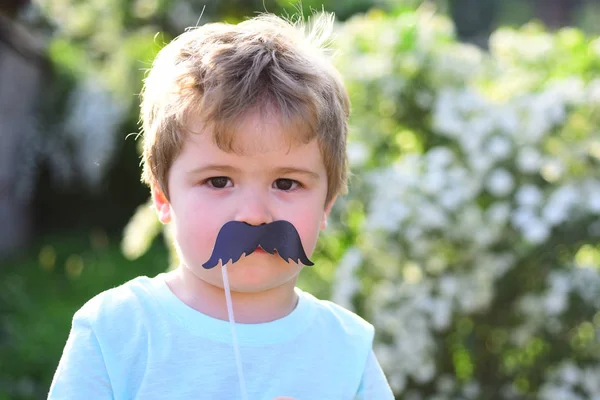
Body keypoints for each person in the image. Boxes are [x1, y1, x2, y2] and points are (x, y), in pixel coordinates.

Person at [48, 12, 394, 400]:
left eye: (286, 183)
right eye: (218, 181)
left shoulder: (346, 351)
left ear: (327, 205)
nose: (254, 214)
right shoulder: (116, 333)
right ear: (163, 197)